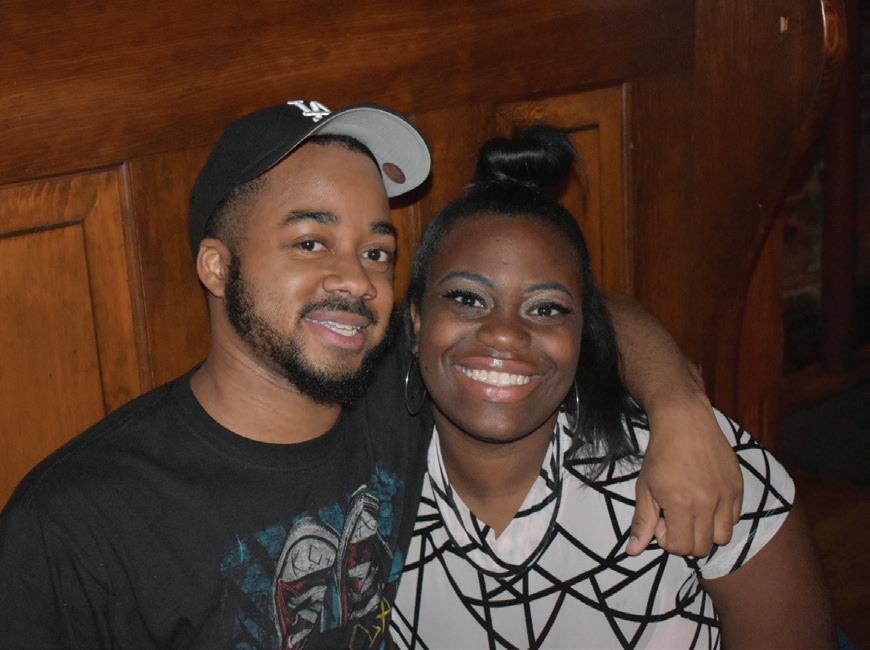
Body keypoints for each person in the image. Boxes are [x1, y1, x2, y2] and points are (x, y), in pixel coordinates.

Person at [0, 101, 739, 649]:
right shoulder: (76, 523)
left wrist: (678, 405)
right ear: (218, 268)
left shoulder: (401, 388)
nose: (356, 280)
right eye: (310, 242)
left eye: (377, 251)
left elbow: (564, 310)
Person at [391, 125, 834, 649]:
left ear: (583, 335)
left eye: (546, 309)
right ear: (416, 320)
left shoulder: (688, 467)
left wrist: (677, 401)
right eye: (467, 299)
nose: (505, 333)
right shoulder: (369, 482)